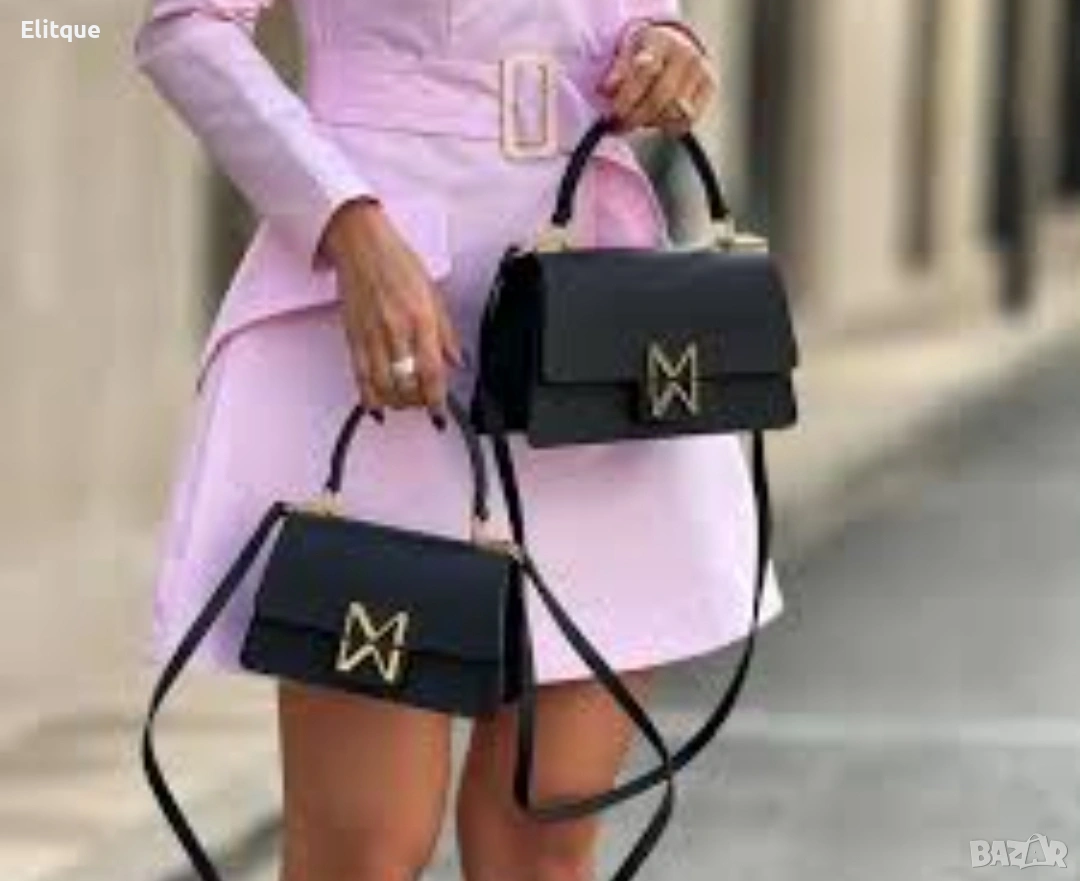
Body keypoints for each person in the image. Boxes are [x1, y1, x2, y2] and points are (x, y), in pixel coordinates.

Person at [133, 2, 784, 879]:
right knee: (364, 851)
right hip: (386, 325)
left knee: (547, 838)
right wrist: (345, 222)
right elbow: (186, 27)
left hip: (588, 329)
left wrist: (663, 50)